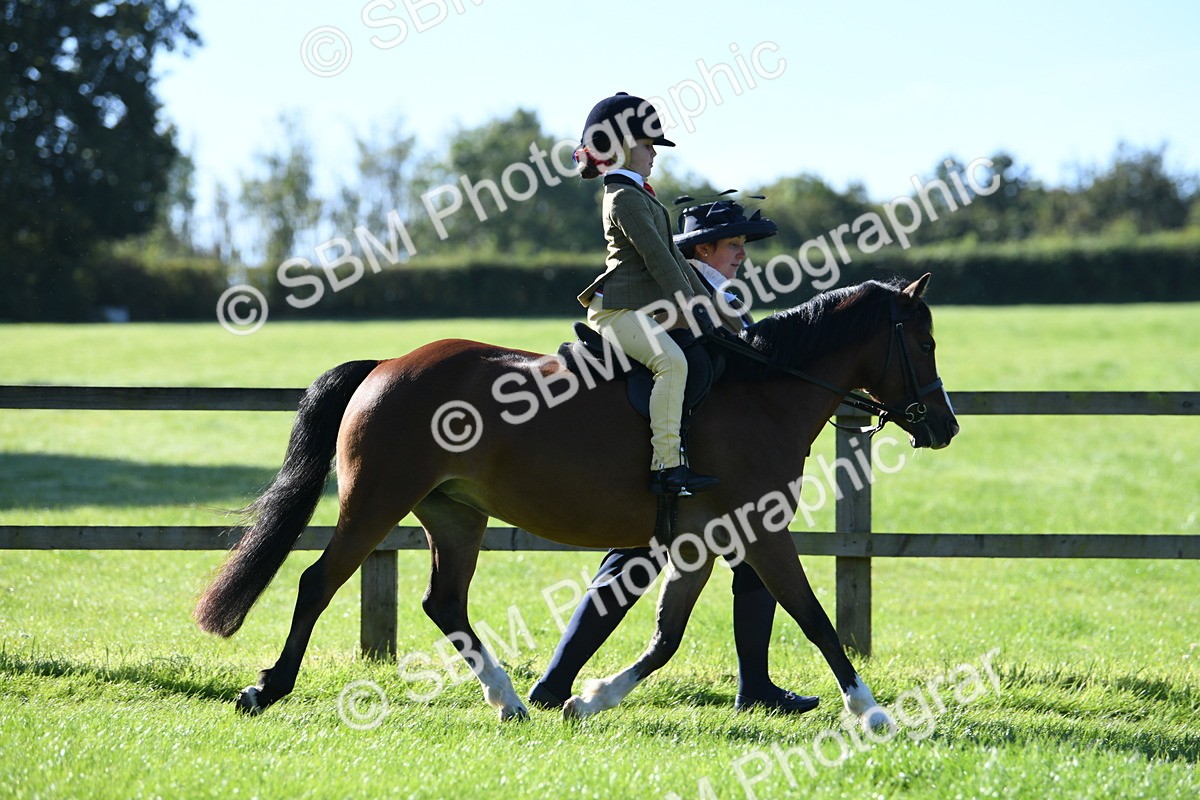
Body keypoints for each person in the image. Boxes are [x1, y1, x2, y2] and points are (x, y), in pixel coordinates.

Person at [529, 199, 820, 715]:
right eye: (735, 246)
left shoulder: (709, 289)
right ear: (705, 249)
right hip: (667, 460)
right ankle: (553, 685)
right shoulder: (701, 291)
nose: (742, 257)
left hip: (702, 462)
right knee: (632, 563)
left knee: (747, 565)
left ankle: (755, 686)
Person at [574, 92, 742, 496]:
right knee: (672, 363)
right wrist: (695, 308)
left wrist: (717, 304)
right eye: (649, 146)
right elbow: (659, 262)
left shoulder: (639, 194)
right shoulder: (624, 198)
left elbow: (678, 262)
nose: (654, 154)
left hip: (639, 308)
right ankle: (667, 465)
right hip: (616, 312)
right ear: (625, 147)